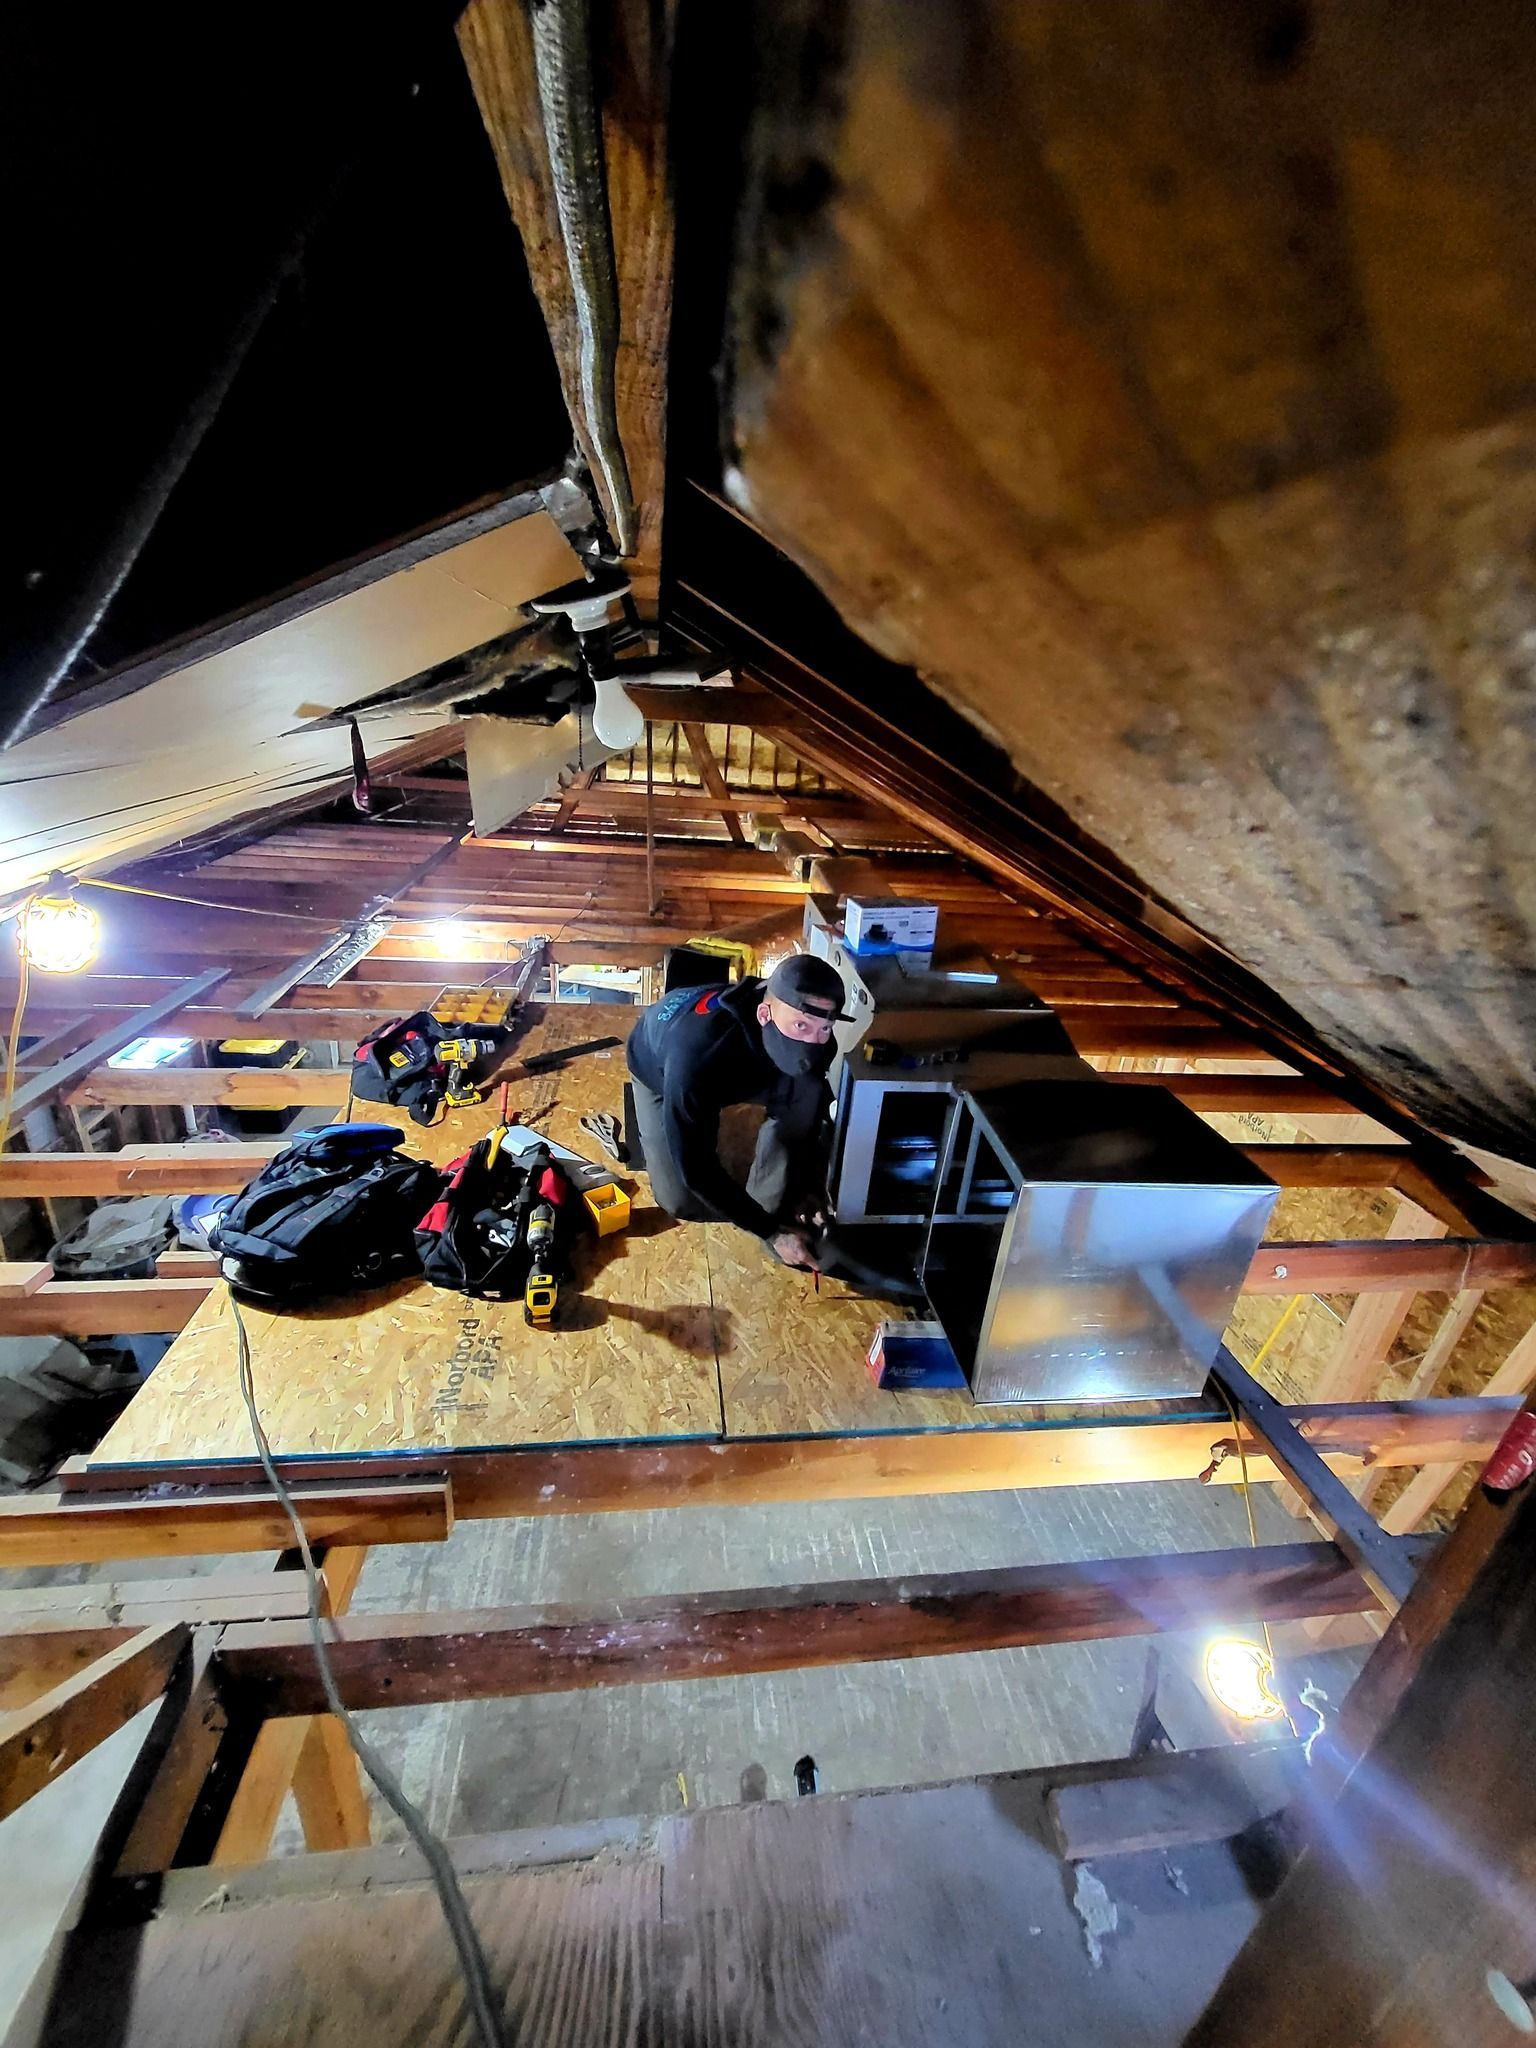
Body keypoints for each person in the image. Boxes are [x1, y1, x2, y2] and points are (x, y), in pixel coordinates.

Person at [624, 953, 850, 1268]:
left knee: (805, 1089)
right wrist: (771, 1232)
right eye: (801, 1026)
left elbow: (814, 1107)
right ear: (764, 1014)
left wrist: (805, 1184)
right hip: (657, 1060)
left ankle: (773, 1203)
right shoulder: (697, 1059)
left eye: (824, 1028)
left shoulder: (813, 1038)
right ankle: (770, 1225)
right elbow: (695, 1168)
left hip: (752, 1059)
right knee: (679, 1199)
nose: (813, 1042)